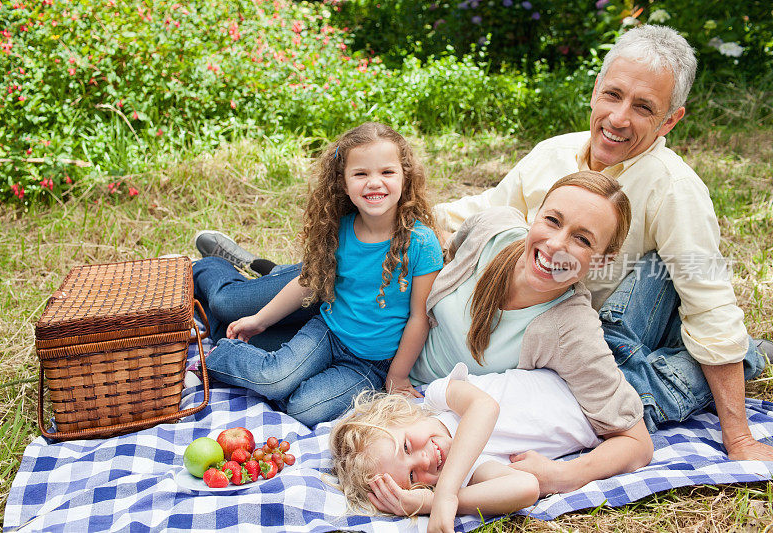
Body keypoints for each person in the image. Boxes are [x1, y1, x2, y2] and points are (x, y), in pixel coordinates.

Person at [431, 24, 773, 461]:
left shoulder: (675, 190)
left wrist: (739, 439)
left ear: (670, 120)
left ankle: (741, 358)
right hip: (552, 337)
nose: (618, 118)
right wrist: (392, 213)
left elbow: (710, 305)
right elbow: (488, 210)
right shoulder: (552, 153)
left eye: (644, 107)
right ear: (595, 90)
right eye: (613, 95)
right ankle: (743, 356)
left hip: (618, 328)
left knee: (627, 399)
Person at [406, 171, 650, 496]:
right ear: (534, 215)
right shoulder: (493, 229)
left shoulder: (571, 329)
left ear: (602, 260)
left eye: (582, 239)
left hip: (432, 406)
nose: (556, 244)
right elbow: (446, 253)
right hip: (391, 367)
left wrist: (561, 475)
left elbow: (637, 443)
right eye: (552, 220)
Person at [202, 122, 443, 426]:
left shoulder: (421, 243)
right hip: (327, 333)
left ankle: (272, 371)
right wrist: (259, 320)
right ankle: (219, 356)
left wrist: (397, 375)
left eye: (387, 172)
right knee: (276, 379)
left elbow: (420, 317)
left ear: (405, 177)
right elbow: (308, 282)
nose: (374, 183)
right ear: (343, 183)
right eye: (360, 174)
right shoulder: (340, 229)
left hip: (371, 365)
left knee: (305, 410)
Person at [330, 363, 653, 532]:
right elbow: (526, 486)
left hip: (592, 368)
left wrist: (444, 496)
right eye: (414, 476)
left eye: (406, 446)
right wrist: (430, 502)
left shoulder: (439, 397)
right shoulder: (470, 475)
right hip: (640, 401)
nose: (426, 459)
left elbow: (485, 409)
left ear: (401, 413)